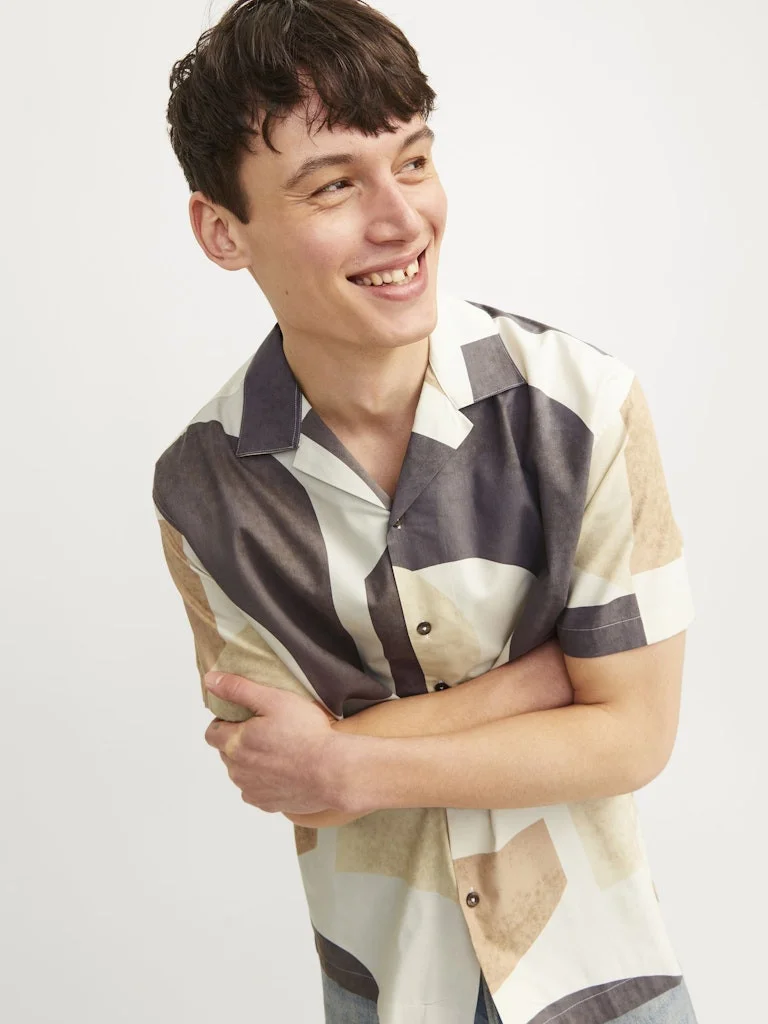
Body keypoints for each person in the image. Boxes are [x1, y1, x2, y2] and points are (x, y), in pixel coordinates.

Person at [152, 2, 699, 1021]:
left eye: (412, 161)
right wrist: (551, 677)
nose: (402, 220)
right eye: (334, 185)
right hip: (386, 990)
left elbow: (634, 737)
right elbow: (290, 775)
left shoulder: (584, 407)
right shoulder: (204, 488)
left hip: (603, 982)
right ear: (223, 230)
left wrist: (350, 755)